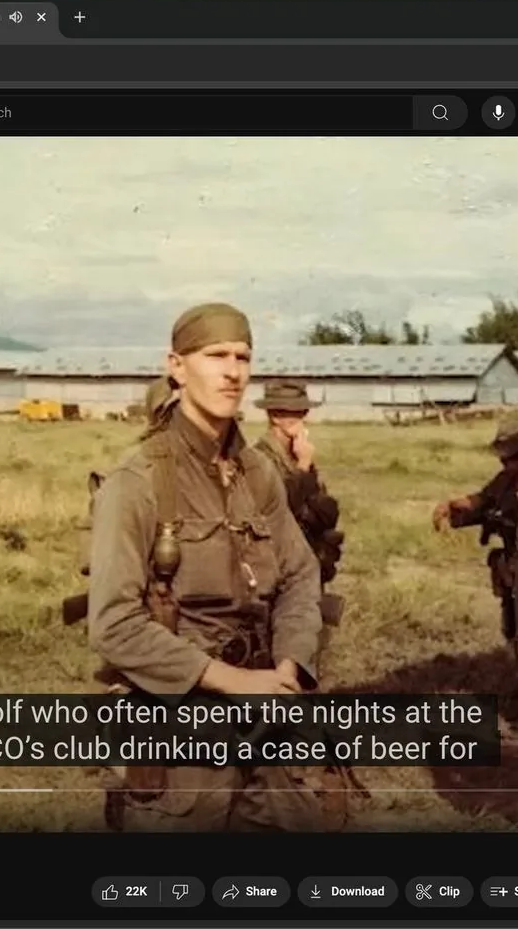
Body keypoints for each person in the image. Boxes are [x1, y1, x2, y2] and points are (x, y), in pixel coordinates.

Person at [87, 302, 359, 832]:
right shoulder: (138, 481)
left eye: (243, 357)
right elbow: (115, 625)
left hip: (268, 717)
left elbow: (301, 575)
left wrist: (289, 667)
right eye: (215, 356)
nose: (233, 371)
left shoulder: (258, 473)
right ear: (176, 366)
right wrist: (232, 681)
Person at [432, 418, 518, 827]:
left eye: (514, 458)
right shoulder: (505, 486)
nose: (508, 465)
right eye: (504, 458)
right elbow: (481, 504)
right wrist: (454, 507)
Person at [251, 380, 346, 650]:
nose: (302, 417)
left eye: (303, 411)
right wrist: (303, 467)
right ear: (275, 416)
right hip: (278, 570)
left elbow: (326, 509)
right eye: (294, 412)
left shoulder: (295, 454)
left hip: (307, 561)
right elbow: (279, 510)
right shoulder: (260, 459)